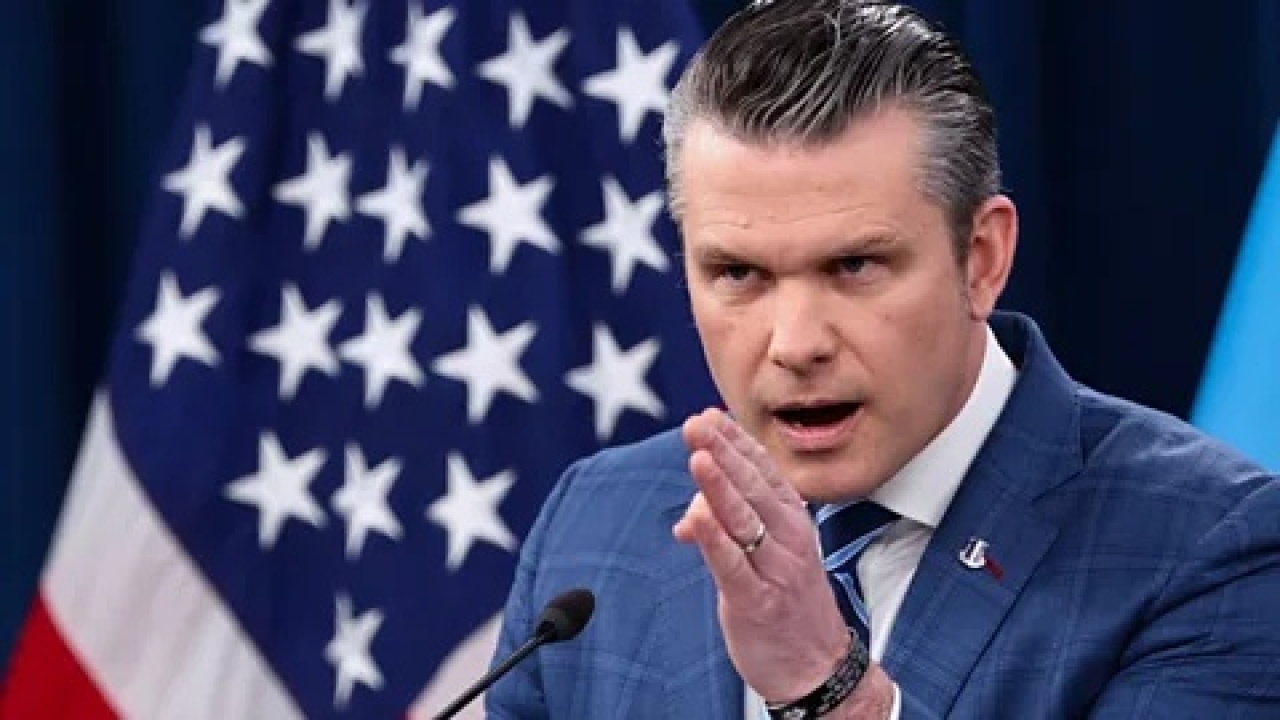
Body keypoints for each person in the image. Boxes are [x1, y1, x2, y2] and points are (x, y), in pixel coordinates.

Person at [486, 0, 1280, 717]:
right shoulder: (596, 523)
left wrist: (827, 686)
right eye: (738, 273)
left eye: (855, 266)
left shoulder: (1209, 547)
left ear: (982, 258)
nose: (796, 344)